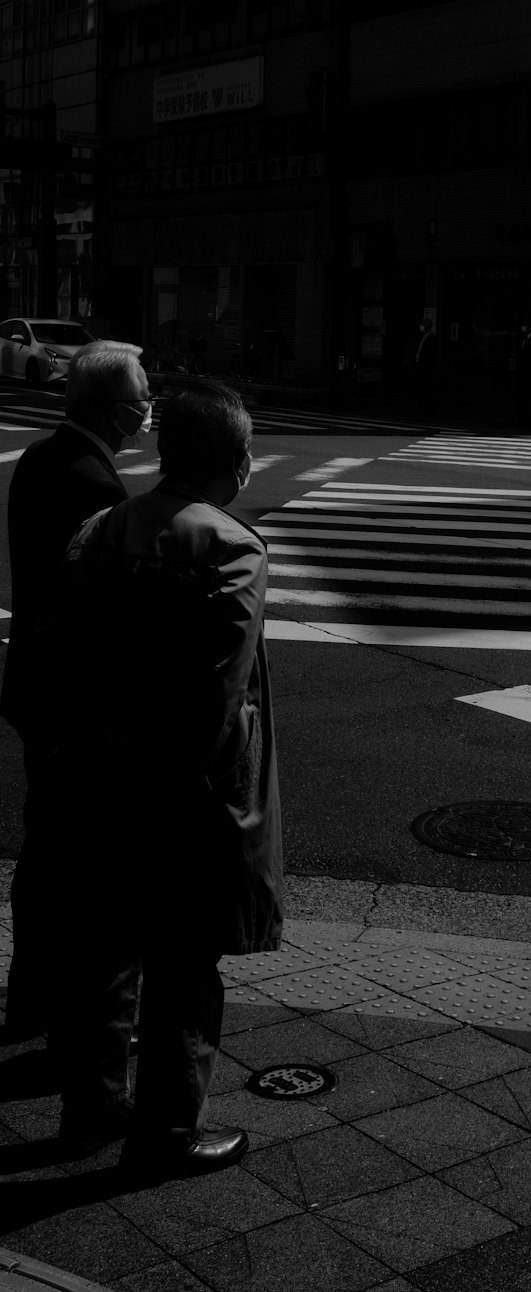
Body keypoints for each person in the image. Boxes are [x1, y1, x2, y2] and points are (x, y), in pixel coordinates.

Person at [48, 386, 283, 1169]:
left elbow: (64, 663)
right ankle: (166, 1134)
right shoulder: (231, 547)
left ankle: (90, 1113)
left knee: (101, 959)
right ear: (239, 463)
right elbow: (218, 697)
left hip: (92, 778)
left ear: (167, 452)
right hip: (181, 798)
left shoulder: (98, 530)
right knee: (184, 969)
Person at [1, 340, 150, 1043]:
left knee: (45, 852)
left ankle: (31, 998)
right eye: (144, 396)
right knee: (75, 859)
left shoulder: (40, 457)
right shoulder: (94, 482)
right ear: (119, 410)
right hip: (68, 700)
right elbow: (91, 610)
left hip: (34, 685)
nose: (149, 408)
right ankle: (63, 1015)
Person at [415, 318, 438, 415]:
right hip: (422, 367)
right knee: (422, 389)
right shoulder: (423, 337)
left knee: (426, 389)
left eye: (422, 325)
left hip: (426, 368)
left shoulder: (431, 338)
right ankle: (422, 409)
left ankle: (426, 410)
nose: (420, 327)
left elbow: (430, 355)